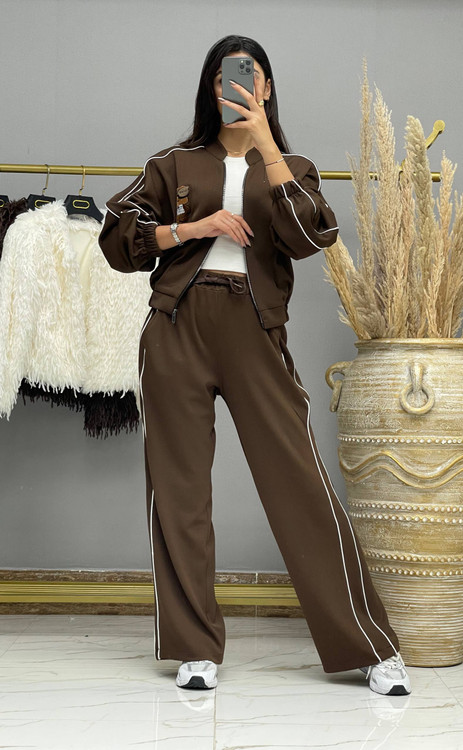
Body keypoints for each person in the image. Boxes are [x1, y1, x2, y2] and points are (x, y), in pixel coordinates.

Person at [98, 34, 411, 697]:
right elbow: (117, 238)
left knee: (299, 483)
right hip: (176, 328)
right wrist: (194, 228)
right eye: (223, 77)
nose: (236, 86)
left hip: (254, 328)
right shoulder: (173, 164)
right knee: (178, 491)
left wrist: (266, 144)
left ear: (266, 87)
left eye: (249, 75)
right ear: (209, 89)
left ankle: (367, 645)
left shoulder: (291, 167)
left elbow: (312, 236)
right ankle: (193, 648)